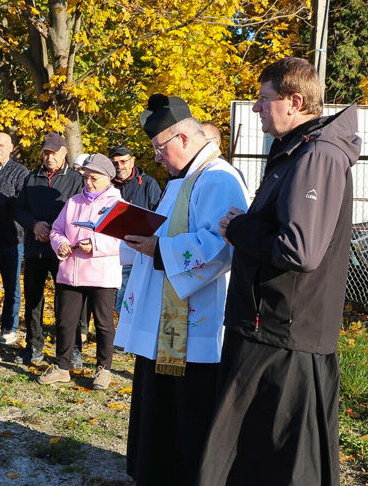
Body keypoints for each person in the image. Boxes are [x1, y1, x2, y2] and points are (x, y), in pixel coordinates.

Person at [197, 58, 361, 486]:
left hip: (284, 333)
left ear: (295, 101)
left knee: (282, 461)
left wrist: (239, 228)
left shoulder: (319, 155)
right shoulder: (298, 150)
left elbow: (300, 250)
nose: (256, 109)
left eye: (263, 99)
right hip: (268, 327)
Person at [114, 94, 248, 486]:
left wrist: (161, 249)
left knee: (187, 409)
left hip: (193, 320)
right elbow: (167, 229)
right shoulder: (183, 180)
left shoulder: (218, 178)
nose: (155, 158)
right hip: (164, 319)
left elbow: (222, 245)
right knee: (158, 402)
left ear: (184, 140)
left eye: (159, 148)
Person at [39, 154, 123, 389]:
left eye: (94, 178)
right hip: (71, 271)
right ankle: (62, 367)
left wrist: (95, 246)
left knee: (104, 323)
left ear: (108, 178)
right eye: (86, 178)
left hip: (102, 274)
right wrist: (60, 243)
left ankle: (104, 370)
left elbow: (123, 241)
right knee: (65, 321)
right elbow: (56, 230)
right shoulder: (74, 202)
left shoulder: (117, 205)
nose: (88, 183)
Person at [14, 133, 83, 365]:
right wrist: (34, 225)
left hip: (63, 250)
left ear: (64, 152)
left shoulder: (75, 179)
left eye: (53, 153)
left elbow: (78, 211)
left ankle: (71, 349)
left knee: (67, 302)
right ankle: (33, 345)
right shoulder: (32, 178)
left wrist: (54, 229)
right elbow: (19, 209)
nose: (49, 157)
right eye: (45, 152)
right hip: (35, 248)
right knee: (33, 300)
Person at [0, 132, 28, 345]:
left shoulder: (20, 172)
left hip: (12, 237)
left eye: (1, 145)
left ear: (11, 148)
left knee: (11, 286)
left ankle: (9, 328)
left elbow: (21, 203)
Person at [108, 145, 162, 316]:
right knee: (112, 299)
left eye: (123, 161)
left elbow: (158, 214)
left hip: (136, 250)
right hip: (108, 249)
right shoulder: (107, 184)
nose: (119, 166)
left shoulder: (147, 183)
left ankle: (127, 336)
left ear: (132, 161)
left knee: (128, 297)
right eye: (115, 163)